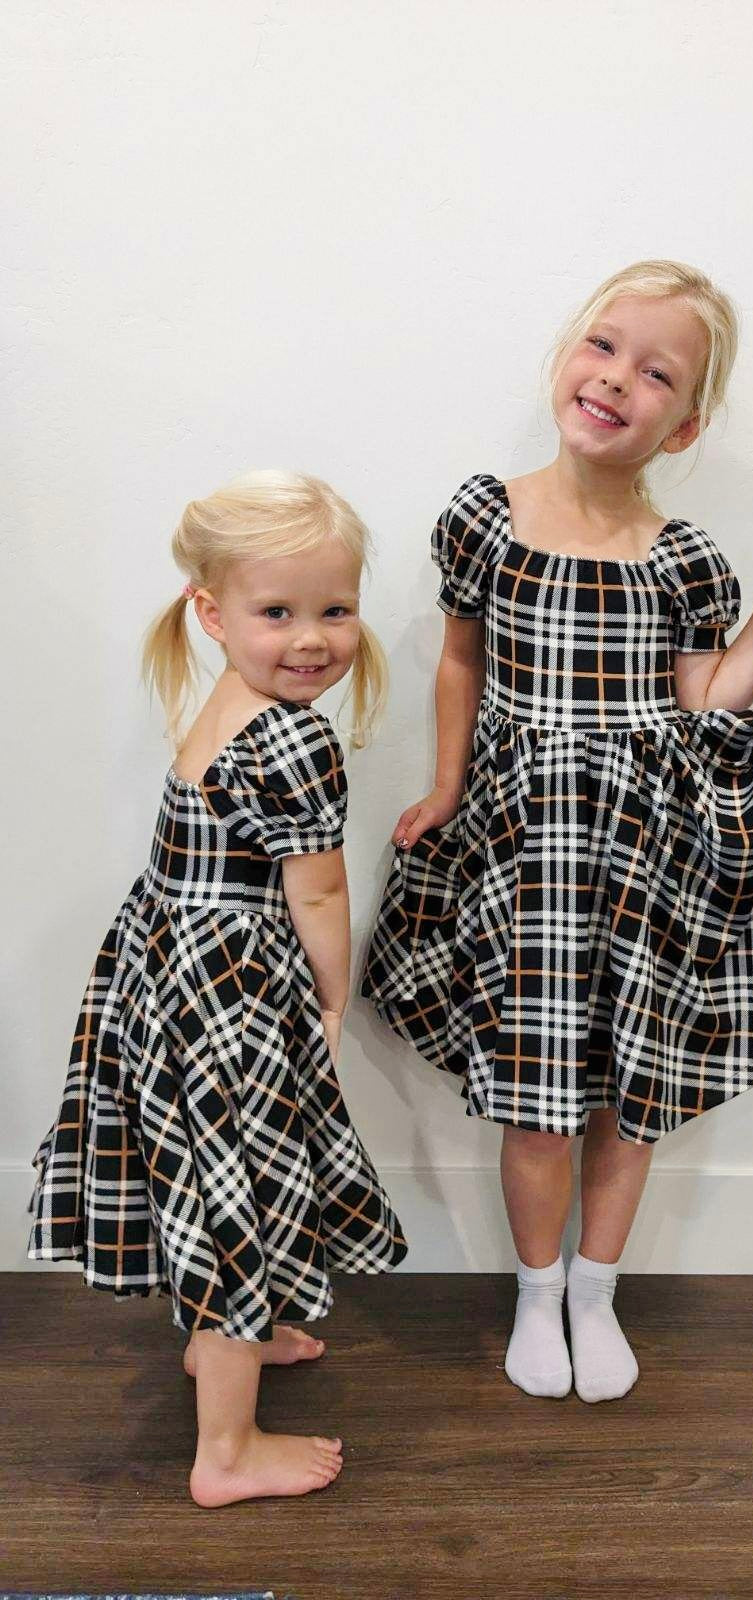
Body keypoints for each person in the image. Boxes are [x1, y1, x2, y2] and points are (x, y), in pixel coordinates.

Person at [361, 260, 753, 1405]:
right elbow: (460, 661)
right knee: (537, 1093)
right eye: (602, 346)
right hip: (525, 853)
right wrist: (444, 786)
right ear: (565, 357)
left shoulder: (683, 557)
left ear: (682, 426)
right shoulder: (485, 517)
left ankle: (596, 1291)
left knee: (628, 1091)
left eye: (655, 374)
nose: (614, 379)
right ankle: (536, 1292)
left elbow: (704, 704)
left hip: (649, 855)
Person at [30, 470, 407, 1504]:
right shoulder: (294, 735)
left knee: (208, 1170)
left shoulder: (232, 699)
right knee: (241, 1188)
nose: (312, 639)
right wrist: (332, 999)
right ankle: (228, 1449)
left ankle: (224, 1337)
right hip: (230, 995)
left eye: (336, 609)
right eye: (277, 612)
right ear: (212, 612)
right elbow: (317, 891)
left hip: (169, 970)